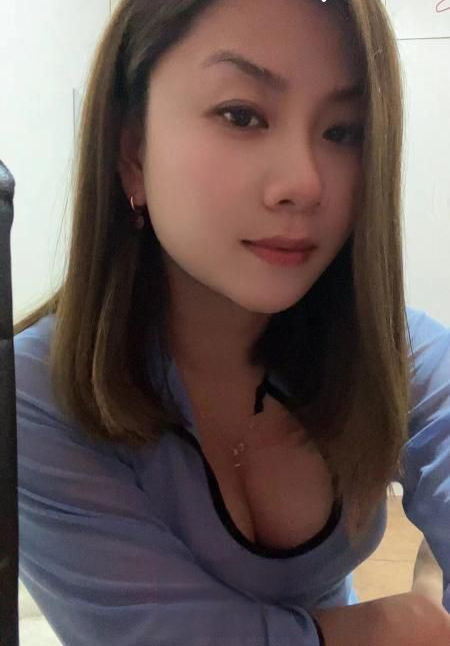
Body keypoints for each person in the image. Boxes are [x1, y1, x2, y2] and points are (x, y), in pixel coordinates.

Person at [14, 0, 450, 644]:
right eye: (241, 115)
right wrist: (394, 625)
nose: (305, 183)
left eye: (343, 131)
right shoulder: (34, 398)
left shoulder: (390, 349)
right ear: (132, 150)